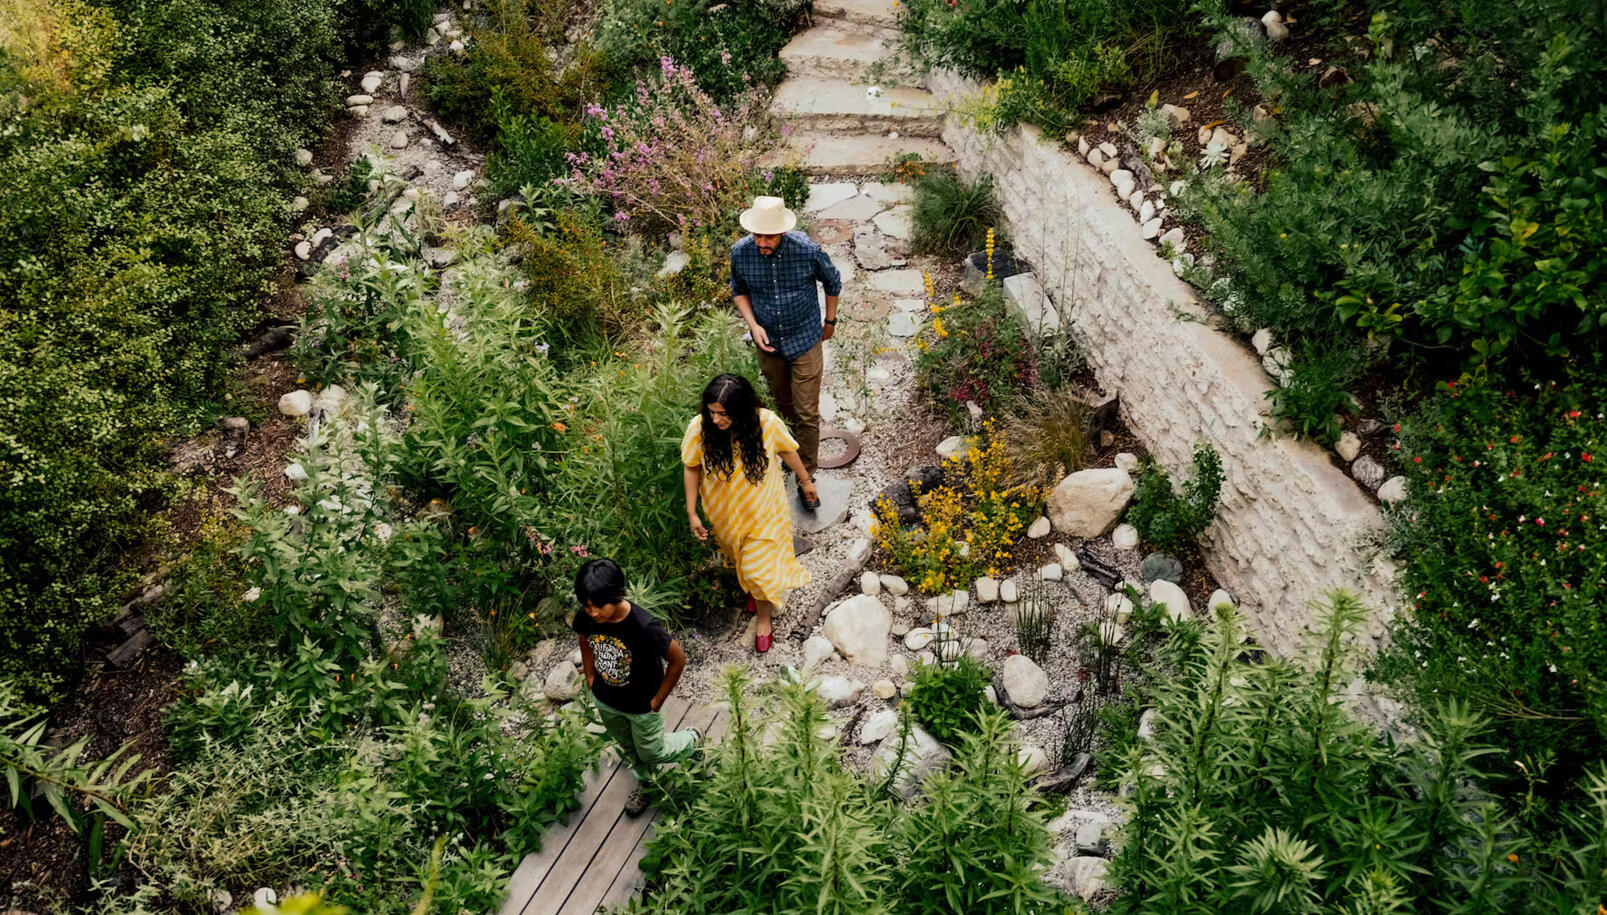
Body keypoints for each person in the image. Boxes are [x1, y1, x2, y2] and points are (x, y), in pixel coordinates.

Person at [682, 374, 815, 653]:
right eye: (712, 412)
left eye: (723, 414)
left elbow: (788, 451)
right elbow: (692, 466)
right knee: (738, 557)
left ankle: (763, 618)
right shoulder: (699, 429)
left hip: (765, 511)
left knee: (757, 569)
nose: (716, 419)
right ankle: (755, 589)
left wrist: (805, 480)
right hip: (725, 513)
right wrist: (692, 511)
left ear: (742, 410)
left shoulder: (766, 423)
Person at [729, 195, 842, 509]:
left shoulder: (806, 250)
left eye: (769, 236)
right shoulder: (740, 254)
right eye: (757, 235)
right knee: (782, 405)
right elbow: (738, 290)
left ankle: (806, 474)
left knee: (806, 413)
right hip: (769, 344)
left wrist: (829, 321)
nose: (762, 242)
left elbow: (833, 282)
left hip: (805, 339)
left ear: (782, 232)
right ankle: (791, 455)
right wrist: (753, 325)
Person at [573, 558, 700, 817]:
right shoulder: (588, 618)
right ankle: (647, 784)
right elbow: (584, 639)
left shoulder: (643, 625)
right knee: (630, 748)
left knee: (653, 750)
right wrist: (589, 676)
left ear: (616, 595)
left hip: (642, 705)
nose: (593, 612)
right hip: (607, 701)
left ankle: (691, 740)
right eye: (587, 606)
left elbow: (678, 659)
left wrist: (657, 702)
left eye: (598, 606)